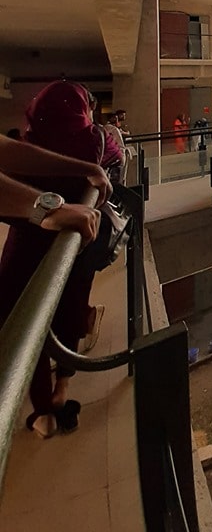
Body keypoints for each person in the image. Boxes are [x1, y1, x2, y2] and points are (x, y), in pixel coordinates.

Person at [0, 82, 111, 438]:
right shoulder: (94, 138)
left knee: (23, 321)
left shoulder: (33, 138)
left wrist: (45, 206)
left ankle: (43, 411)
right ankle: (61, 390)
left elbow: (9, 154)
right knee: (67, 312)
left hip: (24, 246)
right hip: (72, 241)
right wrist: (49, 204)